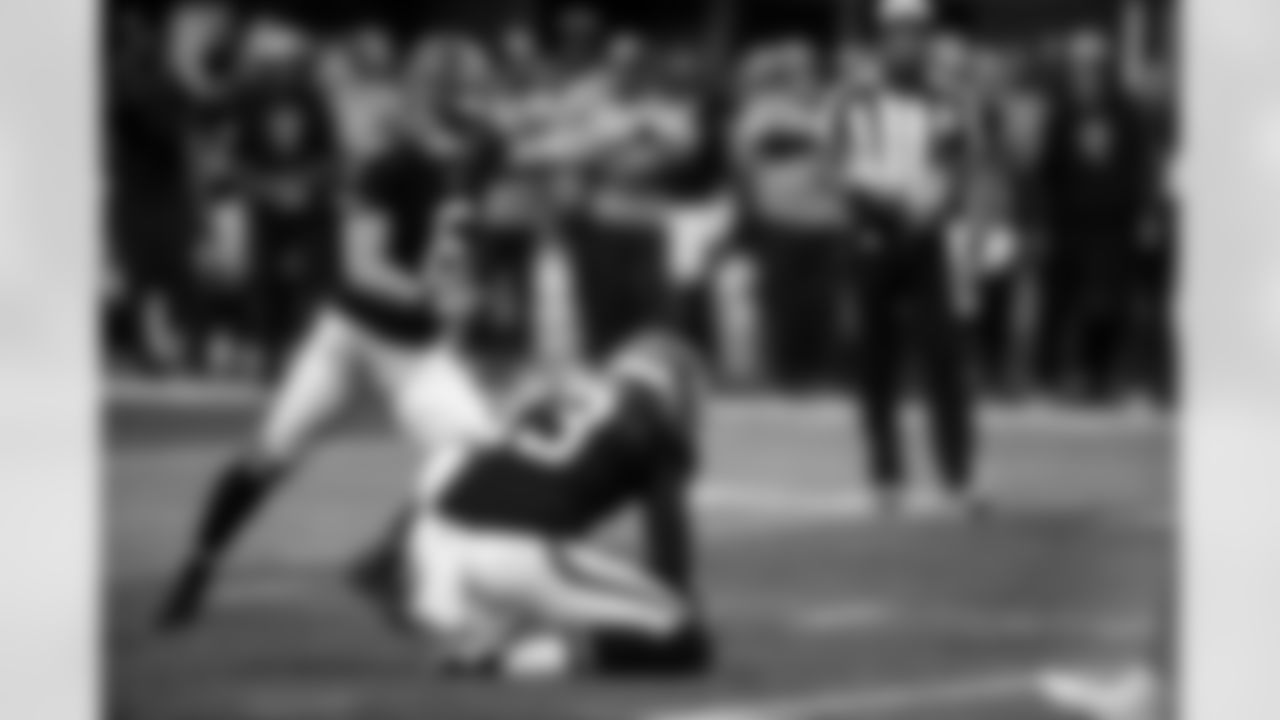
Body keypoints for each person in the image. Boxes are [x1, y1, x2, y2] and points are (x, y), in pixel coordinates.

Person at [156, 108, 502, 632]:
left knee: (480, 455)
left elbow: (458, 277)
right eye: (466, 155)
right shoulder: (391, 169)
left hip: (412, 351)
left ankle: (388, 561)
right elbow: (363, 269)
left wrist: (462, 304)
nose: (467, 168)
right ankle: (199, 562)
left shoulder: (466, 195)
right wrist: (433, 297)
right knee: (272, 452)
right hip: (350, 335)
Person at [370, 331, 709, 678]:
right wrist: (675, 604)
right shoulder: (650, 423)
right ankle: (517, 657)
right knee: (680, 635)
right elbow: (670, 545)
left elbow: (477, 462)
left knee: (537, 579)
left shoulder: (559, 393)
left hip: (436, 550)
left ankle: (482, 637)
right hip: (517, 556)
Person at [837, 0, 978, 515]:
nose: (907, 44)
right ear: (882, 38)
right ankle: (885, 475)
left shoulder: (947, 99)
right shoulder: (856, 98)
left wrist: (933, 206)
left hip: (927, 237)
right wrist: (893, 204)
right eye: (897, 34)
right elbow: (847, 167)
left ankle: (956, 476)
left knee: (945, 355)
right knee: (876, 361)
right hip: (875, 234)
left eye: (916, 34)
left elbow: (956, 165)